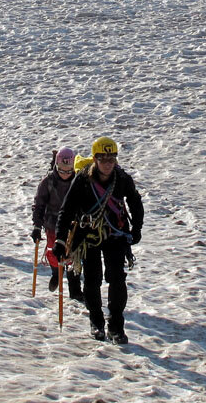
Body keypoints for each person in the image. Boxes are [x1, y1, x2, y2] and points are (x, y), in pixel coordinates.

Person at [54, 136, 143, 344]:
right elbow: (67, 210)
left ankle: (116, 326)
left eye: (112, 158)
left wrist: (137, 227)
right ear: (95, 159)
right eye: (103, 159)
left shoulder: (121, 178)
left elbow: (135, 202)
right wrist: (60, 239)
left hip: (115, 236)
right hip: (88, 237)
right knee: (92, 280)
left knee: (117, 279)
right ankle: (96, 322)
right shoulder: (83, 179)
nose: (108, 163)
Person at [32, 147, 82, 300]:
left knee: (74, 256)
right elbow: (39, 204)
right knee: (55, 253)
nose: (65, 174)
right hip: (52, 224)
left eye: (69, 171)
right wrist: (37, 226)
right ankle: (56, 273)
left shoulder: (78, 181)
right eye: (62, 170)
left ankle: (75, 290)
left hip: (73, 225)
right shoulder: (48, 182)